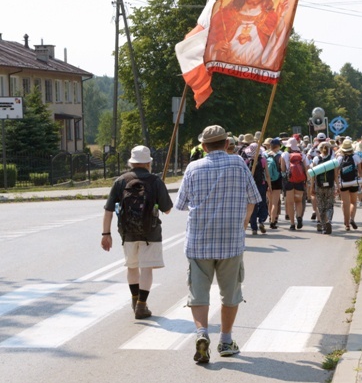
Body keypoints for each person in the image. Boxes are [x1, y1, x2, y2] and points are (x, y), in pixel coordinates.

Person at [175, 125, 261, 364]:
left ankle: (202, 334)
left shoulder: (193, 167)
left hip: (199, 242)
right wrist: (243, 220)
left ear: (203, 147)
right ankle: (225, 340)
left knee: (198, 293)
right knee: (230, 294)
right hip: (231, 242)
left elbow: (181, 204)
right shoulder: (239, 164)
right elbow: (254, 198)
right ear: (226, 143)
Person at [101, 145, 173, 320]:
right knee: (146, 268)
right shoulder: (156, 181)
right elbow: (167, 209)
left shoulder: (120, 181)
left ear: (131, 162)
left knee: (132, 266)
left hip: (128, 232)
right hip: (151, 233)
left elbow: (109, 210)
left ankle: (135, 300)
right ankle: (142, 304)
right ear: (148, 163)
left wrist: (106, 234)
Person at [205, 0, 290, 69]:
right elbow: (205, 43)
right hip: (221, 74)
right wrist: (215, 47)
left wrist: (281, 17)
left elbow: (277, 45)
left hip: (254, 79)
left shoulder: (272, 17)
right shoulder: (224, 14)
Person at [241, 142, 271, 235]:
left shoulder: (246, 161)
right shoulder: (263, 160)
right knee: (262, 203)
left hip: (250, 185)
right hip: (261, 184)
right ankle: (261, 220)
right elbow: (267, 175)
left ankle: (254, 228)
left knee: (252, 206)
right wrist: (270, 185)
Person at [336, 139, 362, 231]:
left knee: (345, 203)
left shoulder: (339, 158)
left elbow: (336, 172)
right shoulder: (356, 157)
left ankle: (347, 224)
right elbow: (360, 170)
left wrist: (337, 184)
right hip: (354, 182)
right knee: (353, 202)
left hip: (343, 182)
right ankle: (352, 219)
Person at [281, 137, 308, 231]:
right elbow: (307, 168)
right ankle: (299, 217)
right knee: (299, 201)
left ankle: (292, 224)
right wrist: (307, 180)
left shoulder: (284, 155)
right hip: (299, 181)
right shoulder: (302, 155)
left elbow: (283, 170)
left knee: (290, 203)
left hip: (289, 181)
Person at [310, 141, 336, 234]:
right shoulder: (333, 159)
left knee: (321, 206)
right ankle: (329, 220)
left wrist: (312, 186)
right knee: (329, 205)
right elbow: (336, 175)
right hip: (330, 185)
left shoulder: (316, 159)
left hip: (319, 185)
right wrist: (337, 186)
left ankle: (324, 226)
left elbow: (313, 174)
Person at [266, 138, 284, 229]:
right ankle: (273, 221)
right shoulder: (280, 155)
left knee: (270, 201)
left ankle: (270, 217)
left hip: (267, 180)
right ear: (278, 146)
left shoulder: (265, 154)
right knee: (275, 203)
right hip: (277, 180)